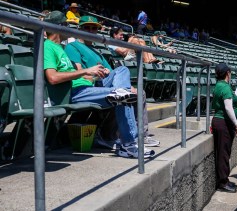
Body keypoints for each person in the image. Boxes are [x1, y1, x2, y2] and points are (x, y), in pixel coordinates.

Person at [42, 11, 153, 159]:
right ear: (60, 27)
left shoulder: (60, 48)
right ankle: (129, 144)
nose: (70, 29)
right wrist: (86, 72)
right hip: (74, 92)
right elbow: (53, 78)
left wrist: (90, 74)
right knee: (122, 95)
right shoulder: (48, 46)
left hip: (85, 87)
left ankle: (129, 142)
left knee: (122, 73)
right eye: (67, 25)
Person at [64, 16, 158, 148]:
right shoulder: (73, 46)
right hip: (89, 85)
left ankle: (142, 135)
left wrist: (129, 87)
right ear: (80, 28)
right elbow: (79, 75)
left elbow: (114, 73)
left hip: (102, 83)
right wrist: (95, 75)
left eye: (94, 28)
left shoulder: (97, 52)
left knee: (133, 86)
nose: (91, 30)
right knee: (122, 96)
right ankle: (115, 135)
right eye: (87, 27)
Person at [211, 62, 237, 193]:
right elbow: (229, 108)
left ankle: (224, 179)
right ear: (227, 73)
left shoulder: (219, 85)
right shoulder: (225, 87)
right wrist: (236, 124)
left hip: (220, 122)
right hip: (224, 123)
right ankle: (222, 182)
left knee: (224, 152)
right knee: (223, 153)